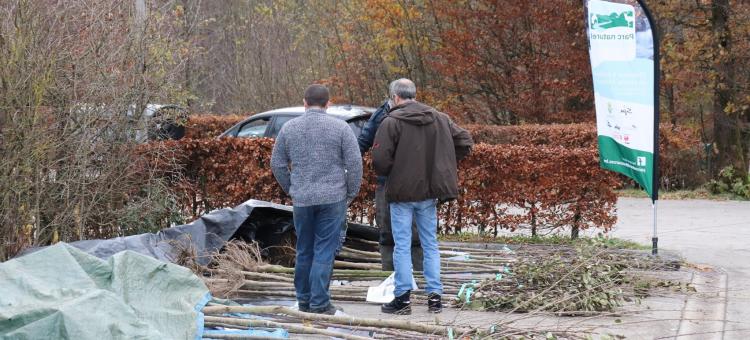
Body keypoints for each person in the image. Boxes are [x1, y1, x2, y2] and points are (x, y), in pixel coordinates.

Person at [372, 78, 473, 315]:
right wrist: (443, 163)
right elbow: (465, 141)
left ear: (395, 97)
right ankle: (435, 298)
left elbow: (379, 160)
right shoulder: (439, 117)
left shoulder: (391, 122)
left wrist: (392, 172)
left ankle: (403, 299)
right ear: (414, 94)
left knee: (402, 246)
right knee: (430, 244)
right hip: (428, 193)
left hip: (401, 193)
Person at [271, 84, 363, 315]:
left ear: (304, 102)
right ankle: (320, 303)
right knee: (324, 250)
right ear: (328, 103)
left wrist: (291, 187)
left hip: (302, 199)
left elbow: (277, 163)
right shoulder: (341, 128)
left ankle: (303, 301)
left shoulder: (289, 128)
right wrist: (349, 193)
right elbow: (355, 165)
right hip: (333, 199)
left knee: (304, 250)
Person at [358, 100, 424, 271]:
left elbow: (363, 144)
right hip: (391, 182)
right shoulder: (381, 115)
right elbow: (363, 143)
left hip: (409, 182)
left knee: (414, 233)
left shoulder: (424, 115)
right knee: (388, 231)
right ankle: (390, 275)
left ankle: (417, 274)